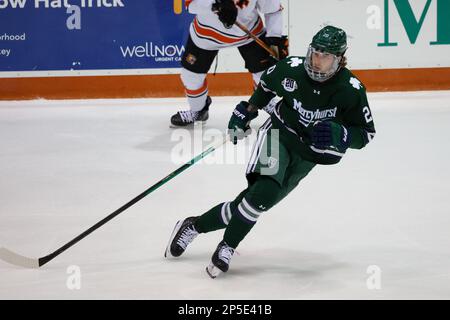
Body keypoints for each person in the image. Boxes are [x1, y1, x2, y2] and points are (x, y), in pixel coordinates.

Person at [165, 25, 376, 278]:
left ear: (339, 60)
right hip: (278, 134)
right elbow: (265, 87)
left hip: (308, 154)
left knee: (253, 202)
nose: (317, 61)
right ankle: (227, 247)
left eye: (325, 56)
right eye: (315, 53)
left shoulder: (351, 89)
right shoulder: (291, 68)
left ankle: (194, 225)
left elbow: (365, 134)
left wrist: (342, 136)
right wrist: (247, 111)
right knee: (264, 192)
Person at [170, 0, 288, 127]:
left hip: (248, 33)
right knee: (190, 76)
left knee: (264, 73)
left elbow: (272, 9)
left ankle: (266, 100)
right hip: (206, 36)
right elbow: (190, 5)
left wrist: (274, 37)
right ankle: (198, 110)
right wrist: (217, 4)